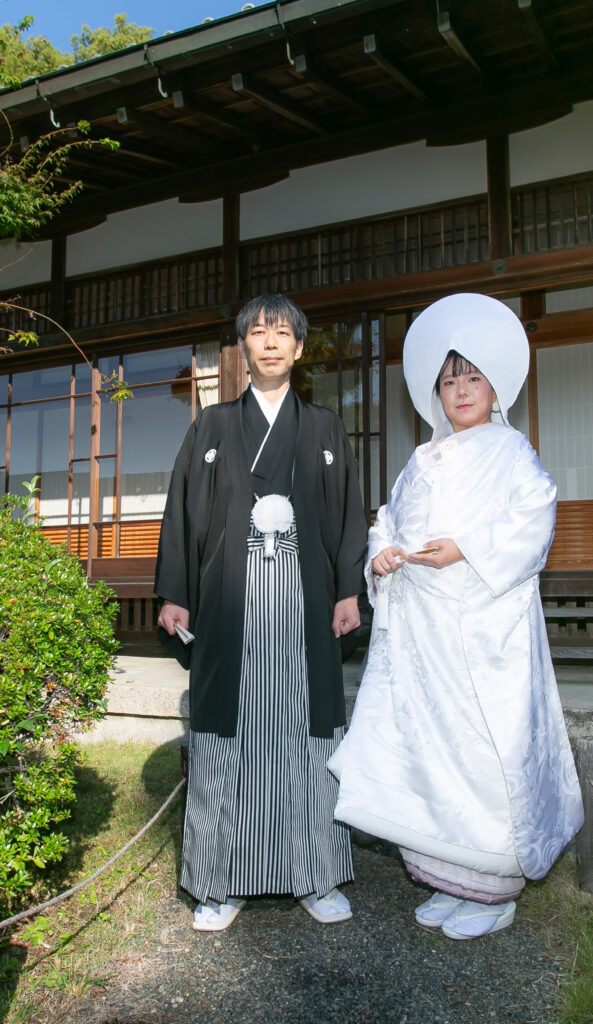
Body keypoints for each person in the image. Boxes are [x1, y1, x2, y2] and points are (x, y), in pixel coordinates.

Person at [329, 292, 584, 940]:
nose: (460, 389)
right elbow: (391, 516)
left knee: (478, 750)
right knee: (428, 749)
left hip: (480, 630)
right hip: (423, 634)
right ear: (435, 393)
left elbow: (533, 516)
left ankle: (492, 889)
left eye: (471, 376)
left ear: (494, 384)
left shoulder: (509, 450)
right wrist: (382, 551)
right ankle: (449, 878)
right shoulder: (422, 458)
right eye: (449, 380)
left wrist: (465, 547)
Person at [155, 294, 366, 931]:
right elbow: (182, 514)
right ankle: (221, 883)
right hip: (228, 609)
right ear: (243, 346)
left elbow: (348, 515)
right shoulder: (213, 426)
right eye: (258, 332)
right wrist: (174, 591)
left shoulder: (325, 427)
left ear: (300, 350)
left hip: (303, 612)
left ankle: (315, 875)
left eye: (282, 333)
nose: (270, 342)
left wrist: (348, 591)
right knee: (226, 741)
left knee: (309, 738)